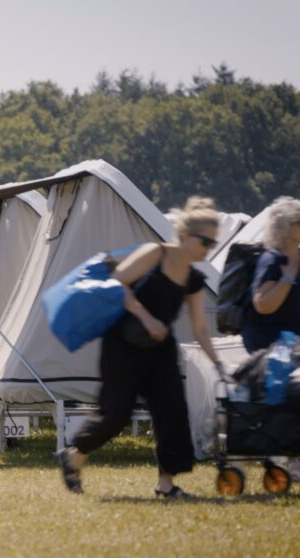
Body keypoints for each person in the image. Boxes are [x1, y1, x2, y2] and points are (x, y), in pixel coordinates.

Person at [58, 196, 224, 498]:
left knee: (172, 414)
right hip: (123, 344)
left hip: (161, 351)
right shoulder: (154, 254)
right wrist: (147, 318)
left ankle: (166, 486)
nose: (209, 249)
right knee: (116, 414)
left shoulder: (194, 278)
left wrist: (218, 363)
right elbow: (117, 283)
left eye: (213, 243)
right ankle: (73, 456)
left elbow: (200, 328)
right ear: (185, 237)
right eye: (205, 241)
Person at [242, 196, 300, 354]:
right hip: (269, 348)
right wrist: (287, 278)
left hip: (291, 346)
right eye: (298, 221)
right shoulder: (272, 260)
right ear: (286, 228)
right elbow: (262, 305)